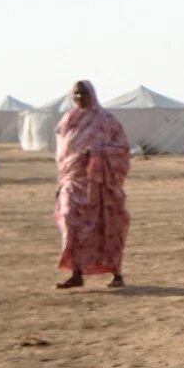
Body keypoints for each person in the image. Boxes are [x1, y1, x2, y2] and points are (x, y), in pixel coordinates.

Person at [53, 81, 131, 289]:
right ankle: (76, 272)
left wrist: (99, 151)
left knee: (107, 227)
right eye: (76, 94)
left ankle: (116, 273)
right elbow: (63, 155)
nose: (80, 97)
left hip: (100, 184)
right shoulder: (68, 121)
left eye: (83, 93)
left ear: (92, 94)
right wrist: (61, 182)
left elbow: (122, 148)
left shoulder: (106, 121)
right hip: (72, 180)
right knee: (70, 221)